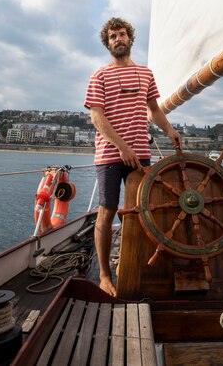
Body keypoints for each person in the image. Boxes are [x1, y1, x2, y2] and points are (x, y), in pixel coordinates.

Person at [84, 17, 182, 296]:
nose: (118, 39)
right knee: (107, 210)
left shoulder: (145, 74)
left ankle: (133, 266)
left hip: (140, 153)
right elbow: (96, 117)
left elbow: (154, 109)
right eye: (113, 36)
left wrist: (170, 130)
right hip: (109, 154)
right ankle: (104, 275)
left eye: (122, 34)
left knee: (143, 211)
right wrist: (122, 148)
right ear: (107, 43)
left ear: (130, 39)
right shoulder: (99, 75)